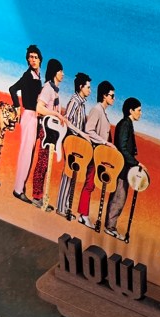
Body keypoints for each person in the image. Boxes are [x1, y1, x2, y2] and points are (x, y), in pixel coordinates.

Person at [76, 80, 115, 228]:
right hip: (94, 153)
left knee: (91, 184)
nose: (113, 98)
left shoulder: (102, 111)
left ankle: (83, 214)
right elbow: (89, 130)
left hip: (99, 155)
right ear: (104, 95)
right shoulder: (97, 110)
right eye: (111, 96)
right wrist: (105, 143)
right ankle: (83, 215)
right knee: (89, 184)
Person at [9, 44, 43, 203]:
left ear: (40, 59)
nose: (33, 60)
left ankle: (20, 188)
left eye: (35, 57)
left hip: (33, 117)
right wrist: (17, 107)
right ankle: (18, 190)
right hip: (29, 116)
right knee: (25, 154)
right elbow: (12, 89)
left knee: (28, 154)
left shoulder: (37, 76)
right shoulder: (28, 75)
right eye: (30, 57)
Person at [105, 97, 142, 239]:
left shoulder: (127, 124)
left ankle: (110, 225)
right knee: (119, 197)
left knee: (120, 196)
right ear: (131, 110)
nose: (140, 113)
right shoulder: (125, 124)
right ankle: (110, 226)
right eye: (138, 110)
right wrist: (136, 163)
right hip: (122, 168)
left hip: (124, 167)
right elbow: (122, 148)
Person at [56, 72, 91, 217]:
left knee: (73, 173)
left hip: (78, 143)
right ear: (81, 87)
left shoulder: (82, 104)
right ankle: (61, 208)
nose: (90, 90)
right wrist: (82, 133)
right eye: (88, 87)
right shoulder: (75, 101)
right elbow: (67, 120)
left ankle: (66, 207)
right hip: (71, 140)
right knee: (68, 172)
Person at [31, 59, 65, 205]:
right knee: (42, 163)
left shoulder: (55, 91)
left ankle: (42, 197)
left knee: (47, 164)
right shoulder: (48, 88)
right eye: (60, 71)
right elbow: (39, 108)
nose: (63, 74)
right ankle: (36, 196)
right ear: (54, 72)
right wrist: (55, 114)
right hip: (45, 130)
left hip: (52, 131)